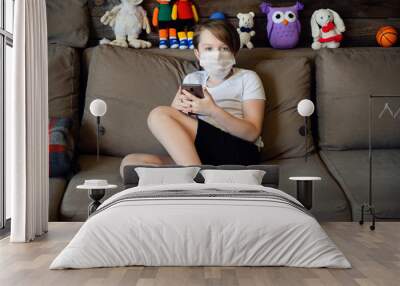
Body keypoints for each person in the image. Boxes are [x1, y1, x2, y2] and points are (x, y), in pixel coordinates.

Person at [120, 20, 266, 173]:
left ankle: (196, 181)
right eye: (208, 49)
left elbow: (252, 133)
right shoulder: (193, 79)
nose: (216, 55)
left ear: (234, 51)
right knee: (130, 164)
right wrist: (177, 112)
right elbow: (184, 129)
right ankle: (199, 174)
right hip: (202, 154)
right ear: (197, 53)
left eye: (224, 48)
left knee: (158, 115)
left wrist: (213, 110)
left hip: (239, 150)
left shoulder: (248, 78)